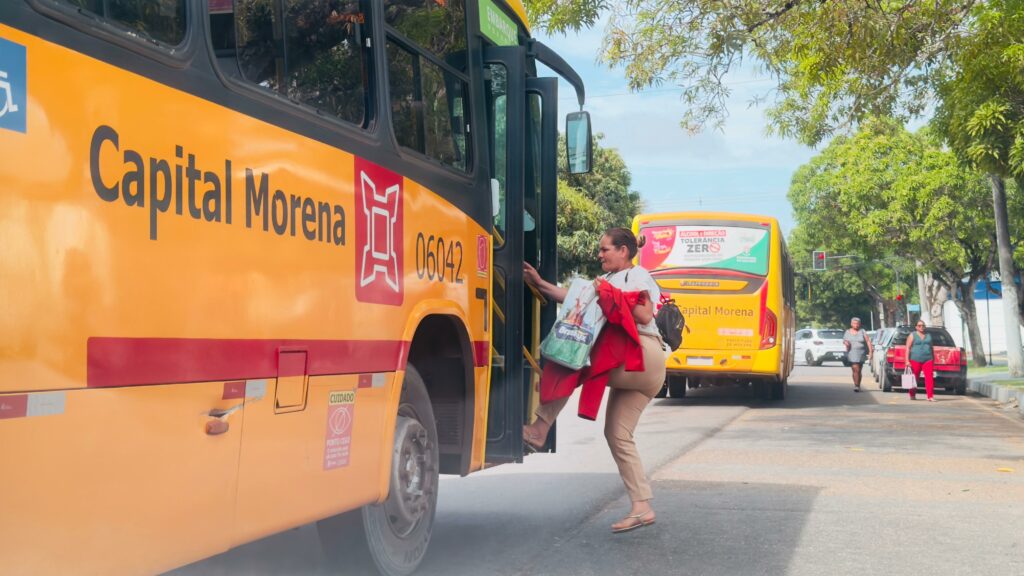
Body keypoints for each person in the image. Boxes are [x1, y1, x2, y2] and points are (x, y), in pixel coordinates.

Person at [522, 227, 667, 533]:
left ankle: (539, 428)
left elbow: (644, 314)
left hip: (643, 354)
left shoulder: (636, 275)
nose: (599, 254)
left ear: (623, 251)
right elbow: (574, 298)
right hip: (636, 367)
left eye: (605, 250)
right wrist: (540, 284)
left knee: (575, 357)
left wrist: (609, 296)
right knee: (617, 434)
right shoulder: (608, 281)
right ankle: (642, 506)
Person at [905, 320, 935, 401]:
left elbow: (931, 348)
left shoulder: (928, 335)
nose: (921, 327)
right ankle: (912, 394)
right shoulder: (912, 335)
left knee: (929, 378)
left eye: (923, 325)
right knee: (914, 378)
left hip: (928, 359)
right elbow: (908, 348)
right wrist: (907, 360)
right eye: (919, 325)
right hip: (915, 359)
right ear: (916, 327)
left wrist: (933, 359)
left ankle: (930, 396)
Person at [843, 317, 873, 392]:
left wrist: (870, 352)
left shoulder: (862, 331)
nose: (856, 325)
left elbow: (868, 341)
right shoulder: (847, 332)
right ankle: (856, 385)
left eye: (857, 324)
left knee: (859, 370)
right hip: (851, 353)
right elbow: (844, 340)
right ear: (851, 324)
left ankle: (858, 384)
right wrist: (846, 343)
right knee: (855, 368)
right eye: (854, 323)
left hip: (861, 353)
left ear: (859, 324)